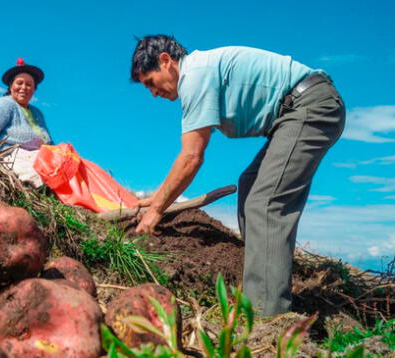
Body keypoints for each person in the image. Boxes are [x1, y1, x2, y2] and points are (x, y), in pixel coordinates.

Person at [129, 35, 345, 316]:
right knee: (250, 183)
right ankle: (263, 282)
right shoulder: (200, 72)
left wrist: (156, 211)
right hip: (296, 112)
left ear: (165, 61)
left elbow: (192, 156)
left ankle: (268, 319)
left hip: (310, 107)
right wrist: (157, 196)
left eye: (150, 82)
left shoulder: (195, 76)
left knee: (265, 203)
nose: (152, 93)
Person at [0, 58, 53, 187]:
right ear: (11, 86)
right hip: (13, 156)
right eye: (19, 83)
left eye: (29, 84)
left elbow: (50, 143)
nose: (24, 88)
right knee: (40, 178)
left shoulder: (37, 113)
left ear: (34, 89)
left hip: (40, 157)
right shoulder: (5, 104)